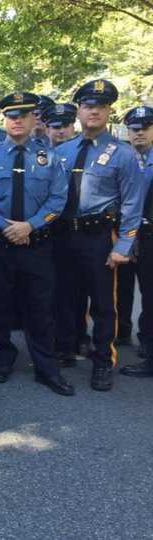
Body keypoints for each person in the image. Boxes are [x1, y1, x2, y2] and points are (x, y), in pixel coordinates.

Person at [0, 92, 74, 395]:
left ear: (33, 119)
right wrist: (5, 227)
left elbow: (58, 199)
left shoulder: (50, 158)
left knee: (40, 307)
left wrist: (31, 225)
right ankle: (2, 359)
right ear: (4, 120)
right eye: (11, 116)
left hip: (36, 244)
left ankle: (46, 367)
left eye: (23, 115)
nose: (17, 121)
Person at [54, 79, 144, 391]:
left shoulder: (123, 154)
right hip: (65, 235)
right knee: (67, 296)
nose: (95, 111)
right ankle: (66, 348)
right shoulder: (62, 151)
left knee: (104, 303)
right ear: (78, 110)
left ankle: (104, 359)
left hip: (101, 237)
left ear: (109, 112)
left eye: (101, 106)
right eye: (89, 105)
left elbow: (133, 203)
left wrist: (125, 244)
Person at [41, 102, 92, 359]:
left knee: (78, 288)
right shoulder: (37, 155)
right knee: (53, 288)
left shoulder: (82, 153)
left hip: (77, 229)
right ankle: (58, 339)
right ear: (46, 128)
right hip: (49, 231)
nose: (60, 131)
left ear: (74, 126)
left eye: (66, 126)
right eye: (55, 126)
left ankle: (79, 336)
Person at [120, 106, 153, 377]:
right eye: (134, 128)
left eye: (146, 127)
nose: (139, 132)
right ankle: (140, 341)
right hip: (132, 234)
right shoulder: (127, 158)